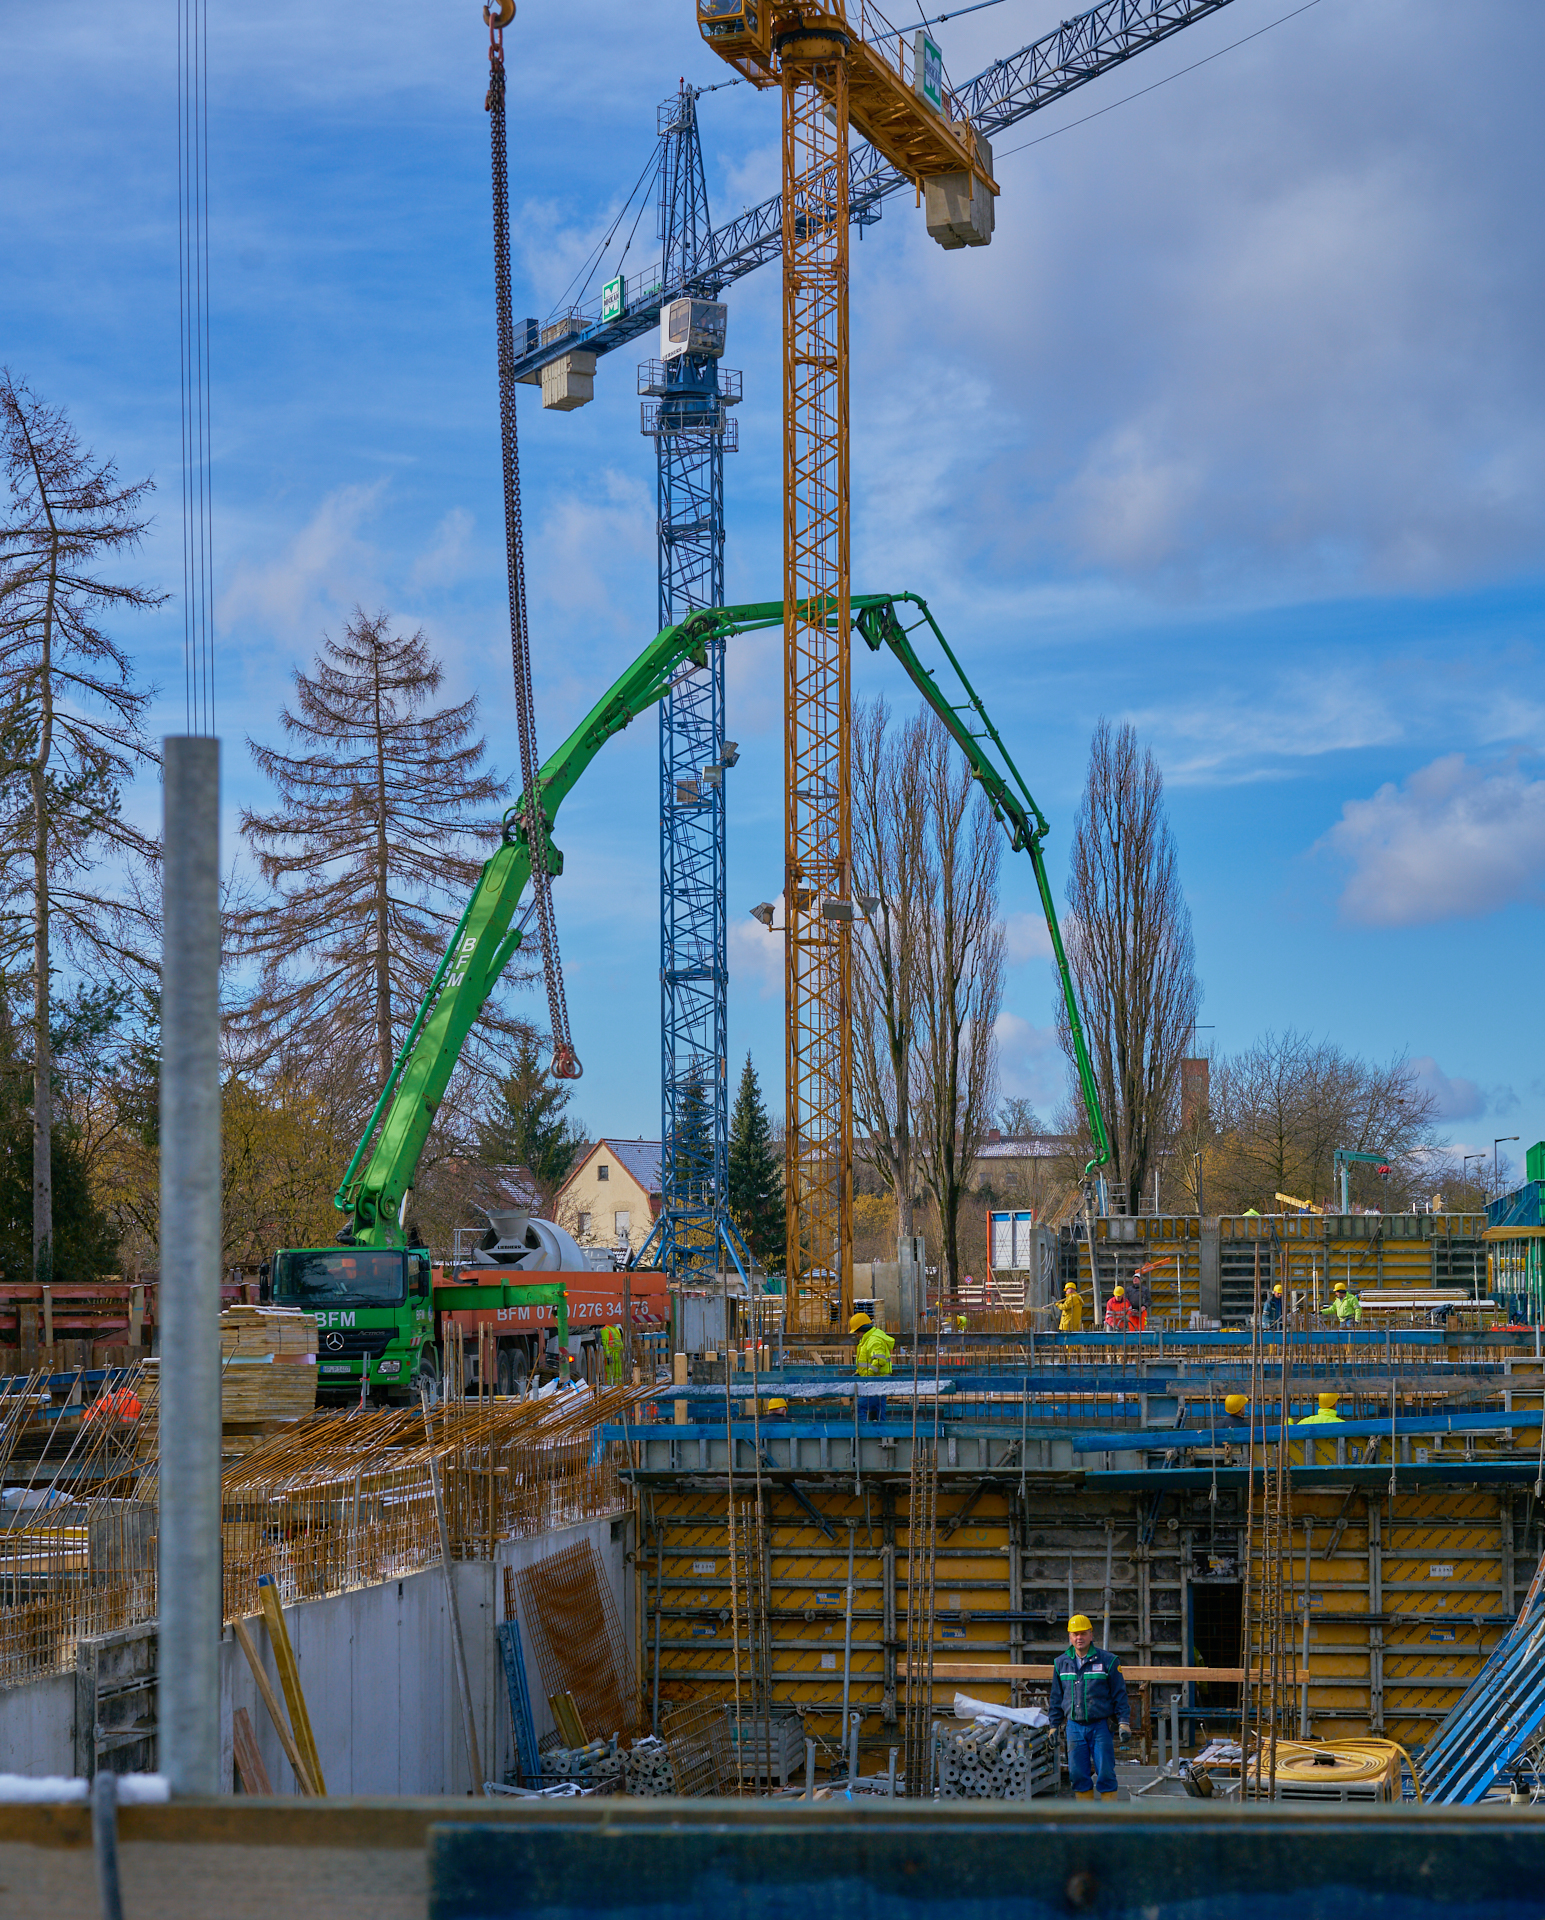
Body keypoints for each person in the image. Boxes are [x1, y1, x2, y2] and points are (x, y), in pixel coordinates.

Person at [1048, 1614, 1130, 1802]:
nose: (1079, 1638)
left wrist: (1124, 1722)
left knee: (1106, 1773)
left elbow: (1120, 1695)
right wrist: (1053, 1725)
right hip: (1074, 1727)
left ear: (1091, 1635)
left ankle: (1108, 1821)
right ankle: (1086, 1821)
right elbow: (1056, 1698)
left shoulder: (1108, 1661)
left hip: (1100, 1726)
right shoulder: (1060, 1663)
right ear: (1069, 1637)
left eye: (1083, 1633)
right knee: (1077, 1774)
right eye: (1075, 1634)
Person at [851, 1311, 895, 1423]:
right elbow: (867, 1360)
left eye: (857, 1332)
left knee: (859, 1407)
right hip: (878, 1380)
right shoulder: (868, 1339)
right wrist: (859, 1372)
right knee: (878, 1411)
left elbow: (879, 1360)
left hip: (876, 1380)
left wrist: (869, 1375)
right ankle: (881, 1434)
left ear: (863, 1329)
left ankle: (865, 1435)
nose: (857, 1335)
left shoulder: (874, 1340)